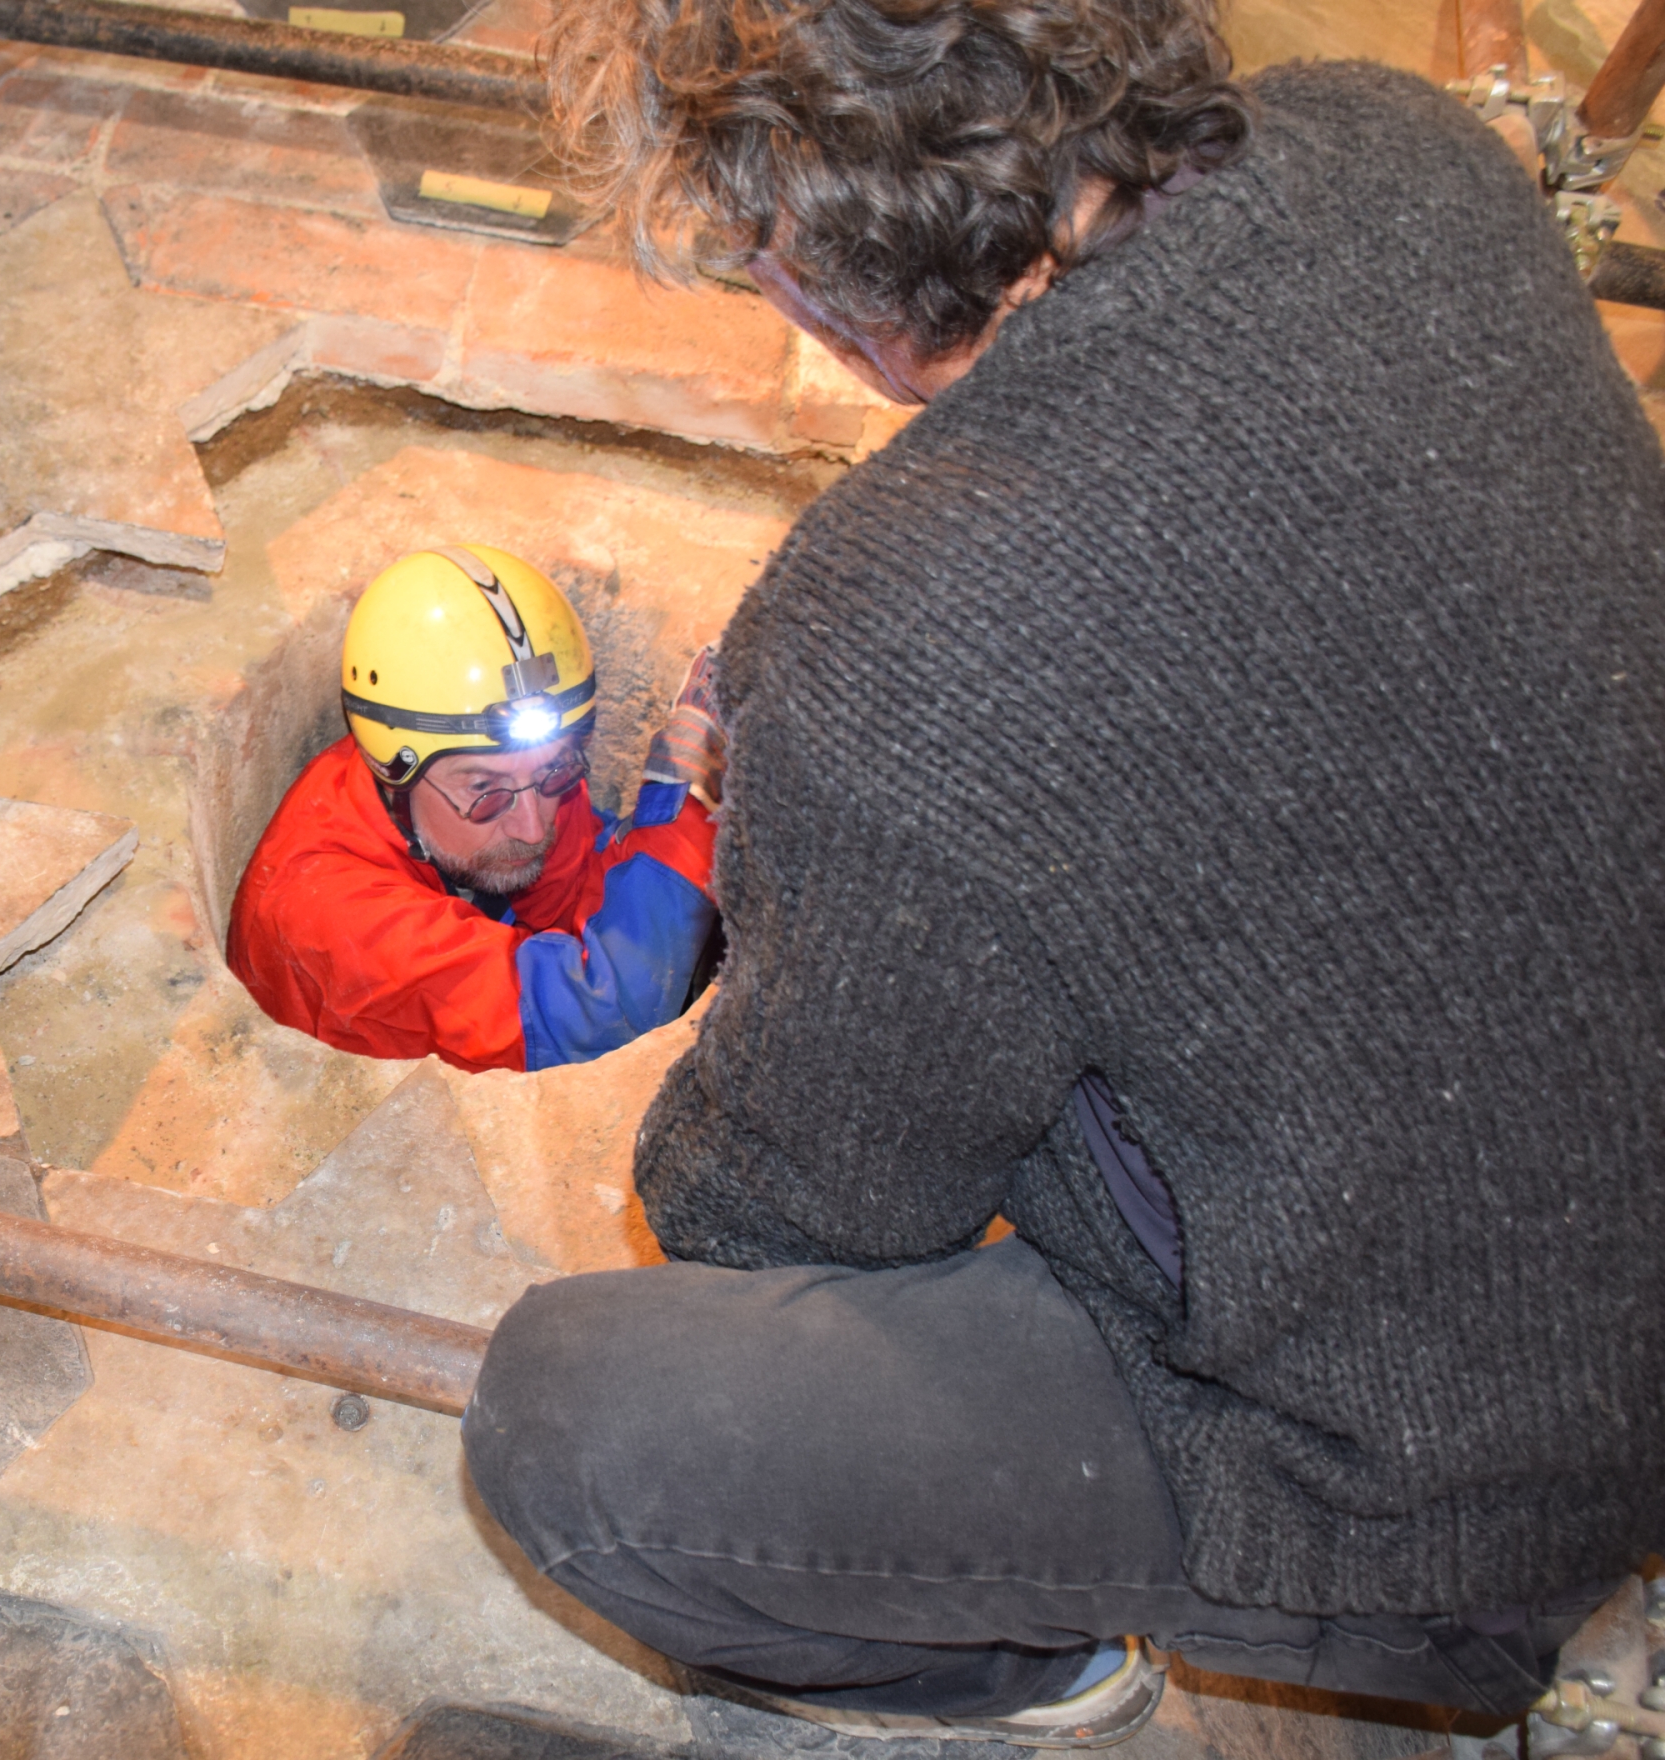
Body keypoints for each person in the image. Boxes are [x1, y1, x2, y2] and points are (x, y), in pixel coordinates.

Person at [458, 0, 1665, 1747]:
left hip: (1455, 1473)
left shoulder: (895, 638)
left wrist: (803, 832)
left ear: (796, 260)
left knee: (584, 1429)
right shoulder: (1407, 150)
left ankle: (1037, 1669)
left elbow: (788, 1218)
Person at [227, 544, 723, 1073]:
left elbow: (580, 887)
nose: (532, 826)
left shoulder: (516, 771)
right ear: (394, 768)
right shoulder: (331, 917)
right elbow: (595, 1018)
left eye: (555, 770)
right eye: (486, 791)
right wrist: (685, 806)